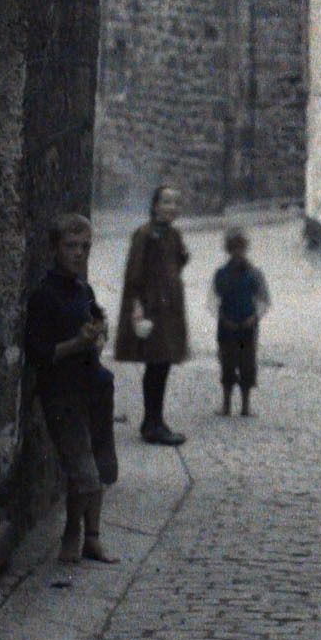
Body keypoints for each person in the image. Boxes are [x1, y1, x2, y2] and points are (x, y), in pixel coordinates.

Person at [24, 213, 119, 564]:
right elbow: (39, 353)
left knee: (101, 465)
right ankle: (71, 533)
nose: (79, 254)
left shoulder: (84, 290)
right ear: (54, 248)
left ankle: (92, 538)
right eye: (70, 246)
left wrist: (98, 332)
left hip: (93, 387)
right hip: (62, 395)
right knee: (84, 473)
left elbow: (94, 320)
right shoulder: (44, 297)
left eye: (85, 247)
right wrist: (76, 344)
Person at [114, 182, 191, 445]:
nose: (172, 207)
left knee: (163, 363)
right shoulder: (144, 234)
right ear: (155, 205)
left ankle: (155, 421)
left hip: (169, 309)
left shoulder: (173, 235)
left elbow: (174, 265)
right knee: (156, 364)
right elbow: (134, 273)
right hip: (151, 309)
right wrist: (137, 309)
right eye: (167, 202)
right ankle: (152, 423)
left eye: (176, 203)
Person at [209, 227, 271, 417]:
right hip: (227, 326)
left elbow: (264, 299)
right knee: (227, 363)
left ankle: (245, 405)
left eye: (241, 248)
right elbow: (213, 299)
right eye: (234, 248)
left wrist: (254, 317)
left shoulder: (255, 274)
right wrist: (222, 318)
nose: (238, 252)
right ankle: (226, 404)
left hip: (247, 326)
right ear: (228, 250)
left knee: (247, 364)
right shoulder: (220, 274)